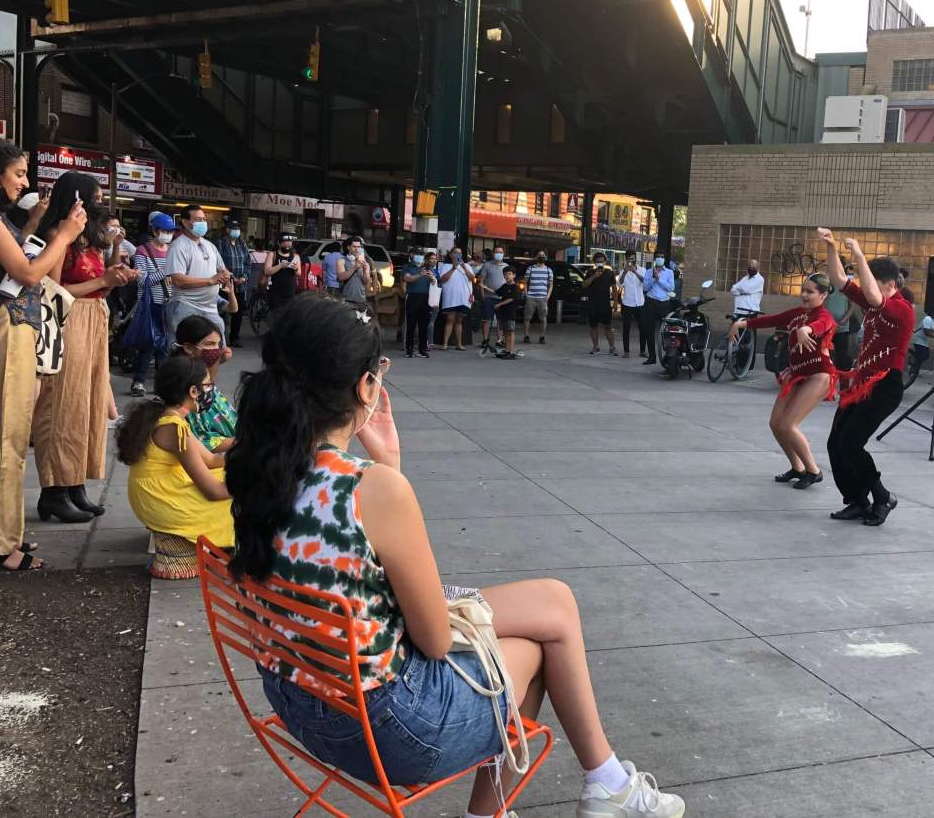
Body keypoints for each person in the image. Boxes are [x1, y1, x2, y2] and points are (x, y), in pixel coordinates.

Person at [226, 296, 685, 818]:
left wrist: (388, 464)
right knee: (536, 650)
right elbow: (435, 641)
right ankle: (576, 791)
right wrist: (389, 471)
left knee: (554, 604)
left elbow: (350, 564)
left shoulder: (258, 470)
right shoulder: (372, 489)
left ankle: (607, 782)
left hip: (302, 707)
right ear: (365, 387)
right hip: (388, 732)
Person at [0, 141, 88, 570]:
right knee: (8, 437)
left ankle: (7, 532)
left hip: (15, 329)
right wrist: (64, 235)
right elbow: (29, 273)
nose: (25, 182)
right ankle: (1, 545)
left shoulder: (3, 217)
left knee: (11, 436)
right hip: (7, 329)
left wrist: (36, 224)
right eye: (18, 174)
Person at [33, 172, 136, 525]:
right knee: (64, 404)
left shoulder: (88, 239)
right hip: (69, 320)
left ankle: (75, 483)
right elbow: (52, 290)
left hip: (94, 318)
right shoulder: (56, 235)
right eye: (95, 198)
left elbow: (95, 283)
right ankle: (54, 490)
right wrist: (103, 280)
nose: (98, 204)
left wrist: (112, 279)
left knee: (88, 405)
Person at [819, 228, 914, 528]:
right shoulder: (873, 302)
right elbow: (839, 281)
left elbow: (872, 294)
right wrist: (832, 247)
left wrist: (859, 255)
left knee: (851, 442)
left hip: (885, 386)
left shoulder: (902, 309)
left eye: (873, 280)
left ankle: (882, 497)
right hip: (860, 384)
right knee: (835, 442)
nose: (867, 286)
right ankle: (858, 501)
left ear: (890, 284)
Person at [117, 354, 233, 579]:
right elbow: (214, 491)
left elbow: (210, 461)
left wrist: (251, 458)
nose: (211, 391)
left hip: (156, 494)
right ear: (193, 391)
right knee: (248, 496)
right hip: (164, 500)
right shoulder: (174, 428)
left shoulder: (168, 417)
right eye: (207, 386)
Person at [730, 273, 838, 490]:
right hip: (797, 374)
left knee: (788, 425)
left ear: (823, 295)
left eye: (810, 292)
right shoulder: (797, 314)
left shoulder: (824, 315)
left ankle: (814, 471)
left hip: (819, 375)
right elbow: (771, 320)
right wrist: (741, 324)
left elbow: (821, 325)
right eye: (803, 290)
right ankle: (797, 468)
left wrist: (806, 329)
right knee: (776, 424)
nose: (804, 295)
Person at [165, 204, 232, 341]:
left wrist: (225, 275)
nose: (203, 223)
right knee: (185, 347)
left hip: (210, 307)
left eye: (204, 219)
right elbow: (177, 280)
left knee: (217, 347)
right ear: (185, 222)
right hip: (186, 306)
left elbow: (222, 269)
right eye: (198, 220)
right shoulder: (178, 246)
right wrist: (210, 281)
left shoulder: (210, 245)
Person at [129, 212, 176, 397]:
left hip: (169, 303)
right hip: (150, 304)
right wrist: (166, 271)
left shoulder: (173, 250)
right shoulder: (142, 251)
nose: (168, 234)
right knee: (148, 343)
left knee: (165, 347)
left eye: (170, 231)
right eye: (164, 231)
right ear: (155, 231)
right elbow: (142, 280)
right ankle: (138, 382)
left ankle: (161, 385)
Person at [175, 315, 236, 453]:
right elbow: (203, 441)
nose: (216, 350)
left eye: (218, 344)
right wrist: (247, 441)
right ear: (189, 348)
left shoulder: (203, 371)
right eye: (209, 344)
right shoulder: (186, 387)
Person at [216, 218, 250, 346]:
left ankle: (235, 337)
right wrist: (231, 277)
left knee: (238, 312)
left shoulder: (242, 244)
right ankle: (219, 338)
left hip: (240, 285)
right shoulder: (220, 243)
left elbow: (248, 262)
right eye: (234, 229)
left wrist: (244, 277)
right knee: (222, 311)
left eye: (238, 229)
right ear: (227, 230)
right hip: (225, 283)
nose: (236, 231)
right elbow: (218, 263)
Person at [401, 249, 436, 358]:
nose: (420, 257)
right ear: (412, 255)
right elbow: (407, 278)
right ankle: (409, 349)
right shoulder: (408, 267)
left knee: (424, 325)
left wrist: (431, 278)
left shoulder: (427, 267)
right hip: (413, 297)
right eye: (418, 254)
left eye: (421, 255)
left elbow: (434, 282)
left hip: (426, 298)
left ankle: (422, 350)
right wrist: (420, 275)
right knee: (411, 324)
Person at [641, 253, 675, 366]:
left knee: (667, 331)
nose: (660, 259)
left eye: (662, 257)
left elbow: (671, 287)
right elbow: (645, 287)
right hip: (650, 302)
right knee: (649, 330)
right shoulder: (648, 271)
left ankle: (669, 356)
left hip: (664, 303)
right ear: (655, 259)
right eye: (658, 257)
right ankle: (652, 357)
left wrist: (659, 279)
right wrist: (653, 278)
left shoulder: (669, 272)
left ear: (664, 259)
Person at [439, 245, 475, 351]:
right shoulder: (445, 266)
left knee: (459, 321)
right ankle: (445, 344)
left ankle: (459, 344)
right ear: (450, 255)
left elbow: (472, 278)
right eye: (455, 252)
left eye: (459, 253)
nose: (458, 254)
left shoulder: (467, 266)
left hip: (463, 298)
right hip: (450, 298)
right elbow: (442, 279)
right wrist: (453, 268)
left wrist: (464, 267)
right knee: (449, 320)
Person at [825, 264, 860, 372]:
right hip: (825, 326)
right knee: (825, 356)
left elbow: (853, 305)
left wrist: (845, 319)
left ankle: (843, 378)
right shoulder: (825, 283)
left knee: (842, 357)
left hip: (841, 327)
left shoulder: (846, 285)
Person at [582, 253, 618, 355]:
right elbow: (584, 285)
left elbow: (614, 288)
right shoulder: (590, 272)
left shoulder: (609, 273)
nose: (600, 263)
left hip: (605, 304)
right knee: (593, 326)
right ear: (594, 262)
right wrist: (594, 276)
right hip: (592, 304)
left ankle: (612, 347)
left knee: (608, 326)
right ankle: (595, 347)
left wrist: (615, 302)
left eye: (602, 261)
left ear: (605, 262)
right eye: (598, 261)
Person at [104, 213, 138, 319]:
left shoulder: (123, 241)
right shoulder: (103, 242)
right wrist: (116, 246)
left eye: (118, 226)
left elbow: (137, 254)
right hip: (108, 286)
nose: (116, 229)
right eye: (113, 226)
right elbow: (113, 265)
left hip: (123, 285)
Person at [477, 245, 508, 346]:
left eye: (500, 252)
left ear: (503, 254)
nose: (498, 254)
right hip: (488, 297)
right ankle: (485, 340)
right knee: (486, 320)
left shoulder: (506, 266)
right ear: (493, 253)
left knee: (500, 320)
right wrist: (483, 296)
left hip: (502, 298)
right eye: (496, 252)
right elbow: (481, 281)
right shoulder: (487, 265)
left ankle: (499, 340)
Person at [263, 232, 301, 316]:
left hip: (289, 290)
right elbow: (267, 271)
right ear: (279, 243)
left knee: (288, 315)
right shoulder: (272, 254)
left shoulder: (295, 256)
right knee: (276, 315)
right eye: (285, 245)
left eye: (289, 246)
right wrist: (280, 266)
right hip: (274, 291)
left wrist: (296, 269)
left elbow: (299, 274)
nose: (287, 247)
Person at [618, 254, 646, 358]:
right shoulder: (623, 271)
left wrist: (635, 272)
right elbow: (620, 284)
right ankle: (626, 352)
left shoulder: (642, 270)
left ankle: (642, 351)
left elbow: (645, 282)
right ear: (626, 260)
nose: (631, 261)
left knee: (642, 327)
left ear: (635, 259)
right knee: (626, 328)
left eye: (632, 259)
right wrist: (625, 272)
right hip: (627, 303)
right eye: (629, 259)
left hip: (640, 303)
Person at [490, 265, 522, 353]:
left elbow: (511, 299)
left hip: (510, 313)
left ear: (514, 275)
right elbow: (496, 292)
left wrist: (499, 304)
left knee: (511, 332)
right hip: (503, 313)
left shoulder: (515, 287)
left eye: (509, 274)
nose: (507, 276)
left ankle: (510, 351)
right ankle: (507, 350)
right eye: (505, 274)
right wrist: (484, 287)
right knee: (505, 332)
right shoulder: (504, 286)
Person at [523, 251, 553, 344]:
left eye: (543, 255)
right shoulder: (530, 268)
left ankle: (542, 337)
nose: (541, 257)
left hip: (543, 298)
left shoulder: (548, 270)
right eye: (540, 255)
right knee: (527, 317)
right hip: (531, 297)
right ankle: (526, 336)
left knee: (543, 318)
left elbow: (551, 284)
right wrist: (526, 294)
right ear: (536, 257)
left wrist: (548, 295)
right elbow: (525, 282)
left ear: (546, 257)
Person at [338, 236, 372, 310]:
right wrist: (355, 267)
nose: (357, 249)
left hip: (361, 300)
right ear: (348, 247)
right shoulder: (342, 260)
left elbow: (366, 281)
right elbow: (341, 277)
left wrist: (365, 271)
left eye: (358, 247)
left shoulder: (365, 262)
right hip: (346, 299)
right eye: (354, 247)